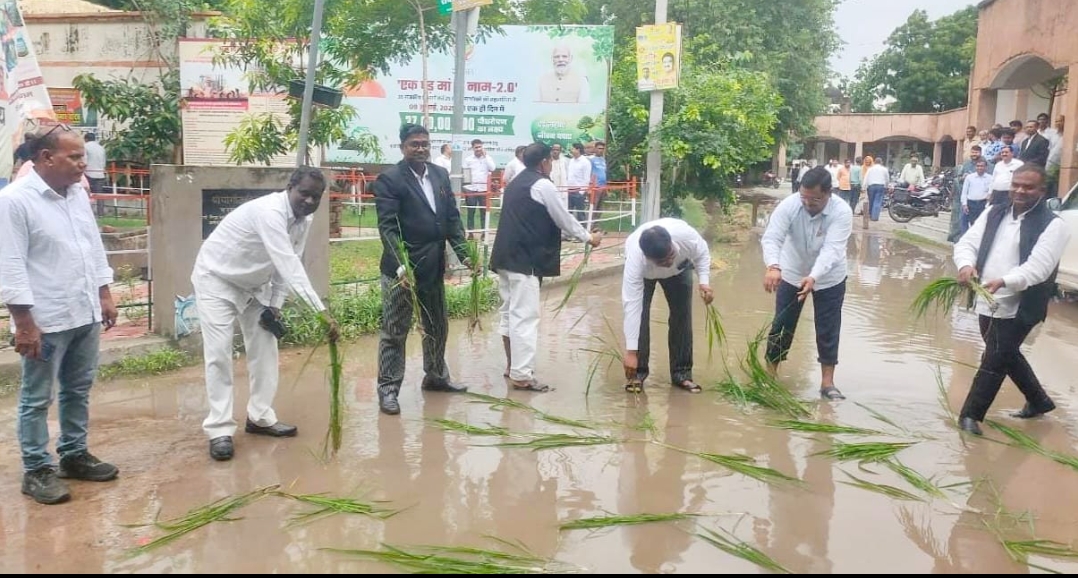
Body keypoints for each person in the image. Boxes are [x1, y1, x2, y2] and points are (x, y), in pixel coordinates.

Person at [0, 126, 119, 504]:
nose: (83, 164)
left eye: (83, 156)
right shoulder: (15, 201)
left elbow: (91, 246)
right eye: (74, 157)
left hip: (83, 310)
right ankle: (36, 469)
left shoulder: (76, 195)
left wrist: (104, 293)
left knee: (78, 389)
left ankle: (74, 455)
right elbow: (10, 264)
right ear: (46, 158)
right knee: (37, 397)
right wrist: (23, 324)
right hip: (46, 319)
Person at [192, 167, 339, 461]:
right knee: (219, 354)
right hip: (216, 280)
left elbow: (290, 261)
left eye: (316, 196)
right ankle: (220, 429)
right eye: (304, 193)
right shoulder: (270, 212)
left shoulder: (303, 220)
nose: (309, 201)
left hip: (254, 286)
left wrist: (275, 304)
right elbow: (287, 263)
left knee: (265, 349)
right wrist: (320, 312)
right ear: (290, 188)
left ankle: (259, 416)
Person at [952, 165, 1070, 436]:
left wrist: (1005, 281)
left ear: (1042, 191)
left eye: (1028, 187)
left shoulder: (1054, 225)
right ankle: (1039, 401)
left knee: (994, 357)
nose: (1020, 191)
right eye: (1016, 184)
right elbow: (967, 242)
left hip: (1021, 304)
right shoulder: (994, 212)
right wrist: (965, 265)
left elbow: (1038, 268)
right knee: (1006, 353)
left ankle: (971, 416)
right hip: (985, 297)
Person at [373, 124, 472, 416]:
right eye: (414, 144)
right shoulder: (390, 180)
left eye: (425, 144)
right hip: (401, 272)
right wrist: (401, 265)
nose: (421, 149)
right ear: (403, 147)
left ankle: (436, 376)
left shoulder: (440, 175)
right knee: (395, 330)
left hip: (433, 265)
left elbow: (452, 218)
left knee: (438, 324)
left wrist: (464, 254)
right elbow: (387, 227)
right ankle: (388, 390)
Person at [489, 142, 602, 392]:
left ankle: (512, 367)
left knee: (509, 313)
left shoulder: (516, 182)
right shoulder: (543, 185)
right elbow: (564, 218)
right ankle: (522, 375)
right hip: (525, 261)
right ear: (544, 163)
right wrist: (589, 238)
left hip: (505, 258)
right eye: (551, 160)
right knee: (525, 317)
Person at [761, 166, 853, 401]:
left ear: (829, 194)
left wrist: (814, 276)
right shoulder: (790, 205)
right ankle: (770, 376)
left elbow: (833, 249)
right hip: (791, 272)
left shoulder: (841, 212)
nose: (808, 203)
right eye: (804, 196)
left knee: (828, 328)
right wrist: (773, 265)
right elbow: (772, 237)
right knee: (782, 325)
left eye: (815, 199)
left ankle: (827, 383)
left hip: (829, 277)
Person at [621, 219, 713, 394]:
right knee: (641, 317)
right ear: (646, 257)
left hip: (680, 272)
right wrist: (631, 353)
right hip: (645, 276)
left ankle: (682, 374)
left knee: (682, 316)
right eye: (662, 261)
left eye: (670, 255)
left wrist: (704, 283)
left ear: (672, 242)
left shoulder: (686, 237)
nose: (668, 262)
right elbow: (632, 306)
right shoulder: (635, 260)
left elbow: (702, 254)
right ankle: (637, 374)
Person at [462, 139, 495, 239]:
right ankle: (471, 233)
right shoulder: (468, 160)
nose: (478, 149)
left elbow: (492, 168)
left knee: (483, 212)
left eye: (480, 147)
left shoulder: (487, 158)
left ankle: (484, 233)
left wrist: (486, 157)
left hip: (483, 189)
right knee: (471, 212)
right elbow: (466, 174)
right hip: (471, 189)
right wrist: (466, 188)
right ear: (472, 148)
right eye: (476, 147)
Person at [960, 159, 993, 234]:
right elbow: (964, 192)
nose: (980, 168)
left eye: (982, 166)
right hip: (971, 203)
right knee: (968, 223)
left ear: (985, 167)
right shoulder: (969, 177)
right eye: (978, 166)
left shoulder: (990, 178)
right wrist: (964, 204)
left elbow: (991, 191)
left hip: (983, 204)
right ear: (975, 167)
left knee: (981, 224)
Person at [566, 142, 592, 226]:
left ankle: (583, 234)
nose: (571, 150)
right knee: (568, 213)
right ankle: (569, 233)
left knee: (580, 214)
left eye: (572, 148)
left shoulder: (585, 162)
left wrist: (581, 192)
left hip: (579, 192)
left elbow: (586, 178)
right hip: (569, 190)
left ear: (578, 149)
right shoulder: (571, 161)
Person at [863, 156, 890, 223]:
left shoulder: (870, 169)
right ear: (881, 162)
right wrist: (887, 185)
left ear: (874, 162)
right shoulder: (884, 169)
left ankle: (870, 215)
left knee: (871, 201)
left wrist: (864, 186)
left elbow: (866, 178)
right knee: (877, 201)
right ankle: (874, 217)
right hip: (880, 186)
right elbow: (887, 179)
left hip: (871, 186)